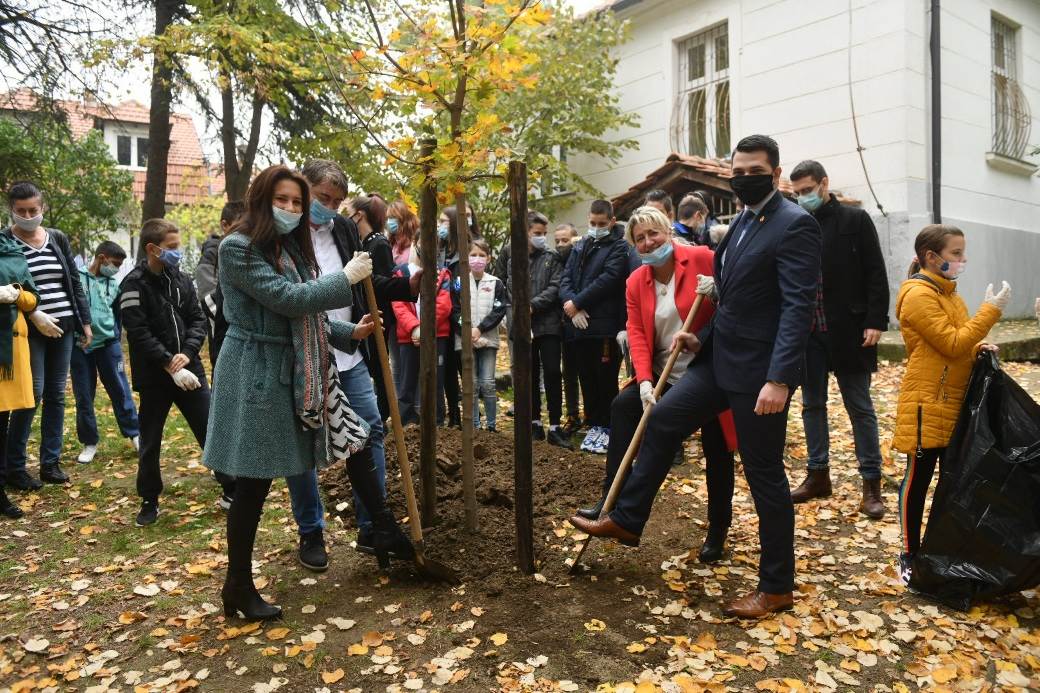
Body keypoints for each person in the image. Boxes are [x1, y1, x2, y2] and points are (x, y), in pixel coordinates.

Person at [569, 135, 821, 619]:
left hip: (758, 376)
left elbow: (797, 307)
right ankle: (627, 519)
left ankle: (776, 587)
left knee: (764, 474)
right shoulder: (743, 223)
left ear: (775, 170)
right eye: (738, 169)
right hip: (716, 361)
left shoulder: (795, 225)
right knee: (661, 419)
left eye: (754, 169)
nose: (744, 177)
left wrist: (781, 378)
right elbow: (730, 302)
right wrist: (699, 341)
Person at [204, 164, 413, 621]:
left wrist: (347, 333)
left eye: (297, 202)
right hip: (258, 372)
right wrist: (348, 279)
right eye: (283, 200)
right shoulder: (237, 250)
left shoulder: (290, 250)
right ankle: (237, 583)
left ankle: (380, 527)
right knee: (254, 482)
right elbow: (288, 300)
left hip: (303, 366)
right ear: (262, 199)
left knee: (355, 437)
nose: (292, 209)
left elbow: (306, 318)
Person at [572, 206, 737, 561]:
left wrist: (719, 291)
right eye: (640, 239)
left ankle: (717, 529)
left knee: (717, 449)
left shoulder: (702, 258)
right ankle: (611, 500)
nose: (648, 243)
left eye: (654, 234)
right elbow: (638, 334)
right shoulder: (636, 281)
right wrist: (645, 381)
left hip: (708, 369)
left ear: (668, 232)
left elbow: (737, 296)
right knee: (624, 406)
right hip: (664, 370)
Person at [892, 224, 1009, 586]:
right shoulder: (918, 295)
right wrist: (989, 313)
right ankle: (908, 554)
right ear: (931, 257)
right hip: (927, 404)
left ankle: (939, 550)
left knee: (952, 482)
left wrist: (979, 348)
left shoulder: (949, 293)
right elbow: (952, 342)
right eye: (956, 253)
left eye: (962, 252)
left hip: (951, 401)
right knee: (918, 481)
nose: (962, 259)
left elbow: (957, 347)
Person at [787, 160, 890, 519]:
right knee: (812, 405)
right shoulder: (794, 223)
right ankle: (817, 476)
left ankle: (871, 484)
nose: (802, 197)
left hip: (850, 328)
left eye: (807, 190)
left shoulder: (854, 220)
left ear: (824, 183)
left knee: (859, 407)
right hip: (808, 331)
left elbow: (875, 271)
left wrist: (876, 320)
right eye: (796, 192)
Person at [120, 218, 235, 526]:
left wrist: (186, 354)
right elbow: (138, 330)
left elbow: (197, 319)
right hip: (155, 376)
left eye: (178, 246)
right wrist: (168, 362)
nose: (177, 252)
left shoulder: (182, 279)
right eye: (171, 248)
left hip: (190, 370)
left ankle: (231, 487)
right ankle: (149, 498)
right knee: (151, 438)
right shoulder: (133, 285)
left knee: (210, 429)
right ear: (152, 249)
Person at [3, 181, 92, 489]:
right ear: (11, 210)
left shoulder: (56, 238)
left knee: (56, 394)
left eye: (34, 210)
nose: (29, 215)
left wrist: (85, 321)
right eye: (21, 211)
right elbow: (9, 289)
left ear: (42, 208)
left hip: (64, 325)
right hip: (29, 328)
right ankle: (14, 467)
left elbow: (74, 281)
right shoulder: (4, 242)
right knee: (32, 394)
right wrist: (33, 315)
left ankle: (49, 463)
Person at [560, 200, 632, 455]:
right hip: (579, 326)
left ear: (612, 222)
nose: (597, 227)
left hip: (604, 326)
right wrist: (571, 304)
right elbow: (566, 277)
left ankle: (608, 427)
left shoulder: (620, 246)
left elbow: (609, 279)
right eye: (593, 223)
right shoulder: (580, 245)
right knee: (586, 377)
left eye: (602, 224)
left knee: (605, 379)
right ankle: (594, 424)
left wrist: (578, 302)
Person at [501, 213, 569, 447]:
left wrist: (534, 305)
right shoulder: (514, 260)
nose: (541, 238)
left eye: (543, 234)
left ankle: (555, 425)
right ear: (526, 233)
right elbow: (510, 287)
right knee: (528, 374)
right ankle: (534, 422)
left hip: (548, 325)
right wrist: (522, 308)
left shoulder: (552, 257)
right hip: (524, 327)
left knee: (552, 372)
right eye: (536, 233)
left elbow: (555, 286)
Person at [71, 241, 140, 465]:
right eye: (115, 263)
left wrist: (115, 335)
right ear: (102, 258)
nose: (117, 268)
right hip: (80, 345)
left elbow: (118, 314)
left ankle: (135, 434)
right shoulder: (77, 278)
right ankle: (89, 442)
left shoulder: (115, 284)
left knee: (120, 389)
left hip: (108, 344)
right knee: (84, 394)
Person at [0, 232, 39, 517]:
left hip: (12, 351)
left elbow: (32, 300)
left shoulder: (12, 252)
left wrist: (16, 292)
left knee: (3, 420)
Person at [394, 243, 453, 427]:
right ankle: (406, 421)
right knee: (407, 381)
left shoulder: (443, 273)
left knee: (436, 379)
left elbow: (444, 306)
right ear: (415, 245)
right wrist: (414, 328)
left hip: (436, 336)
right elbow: (398, 304)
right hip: (408, 336)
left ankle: (437, 421)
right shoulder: (400, 273)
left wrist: (425, 330)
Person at [452, 238, 508, 431]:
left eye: (481, 255)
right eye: (473, 255)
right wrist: (467, 331)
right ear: (466, 258)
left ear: (489, 258)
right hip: (464, 340)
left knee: (488, 383)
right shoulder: (459, 283)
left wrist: (480, 329)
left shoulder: (496, 283)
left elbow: (499, 309)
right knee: (472, 384)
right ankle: (474, 424)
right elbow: (455, 310)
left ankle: (492, 425)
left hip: (488, 340)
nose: (477, 259)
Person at [195, 200, 244, 368]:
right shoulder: (211, 255)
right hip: (224, 343)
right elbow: (208, 300)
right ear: (225, 225)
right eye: (241, 225)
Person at [553, 223, 582, 434]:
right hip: (561, 324)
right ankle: (572, 414)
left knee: (588, 373)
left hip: (584, 322)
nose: (561, 245)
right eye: (557, 241)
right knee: (568, 373)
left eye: (565, 240)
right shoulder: (553, 261)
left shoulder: (581, 258)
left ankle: (593, 413)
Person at [387, 199, 417, 268]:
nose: (389, 221)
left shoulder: (415, 245)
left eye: (393, 217)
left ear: (405, 219)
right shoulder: (391, 243)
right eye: (388, 218)